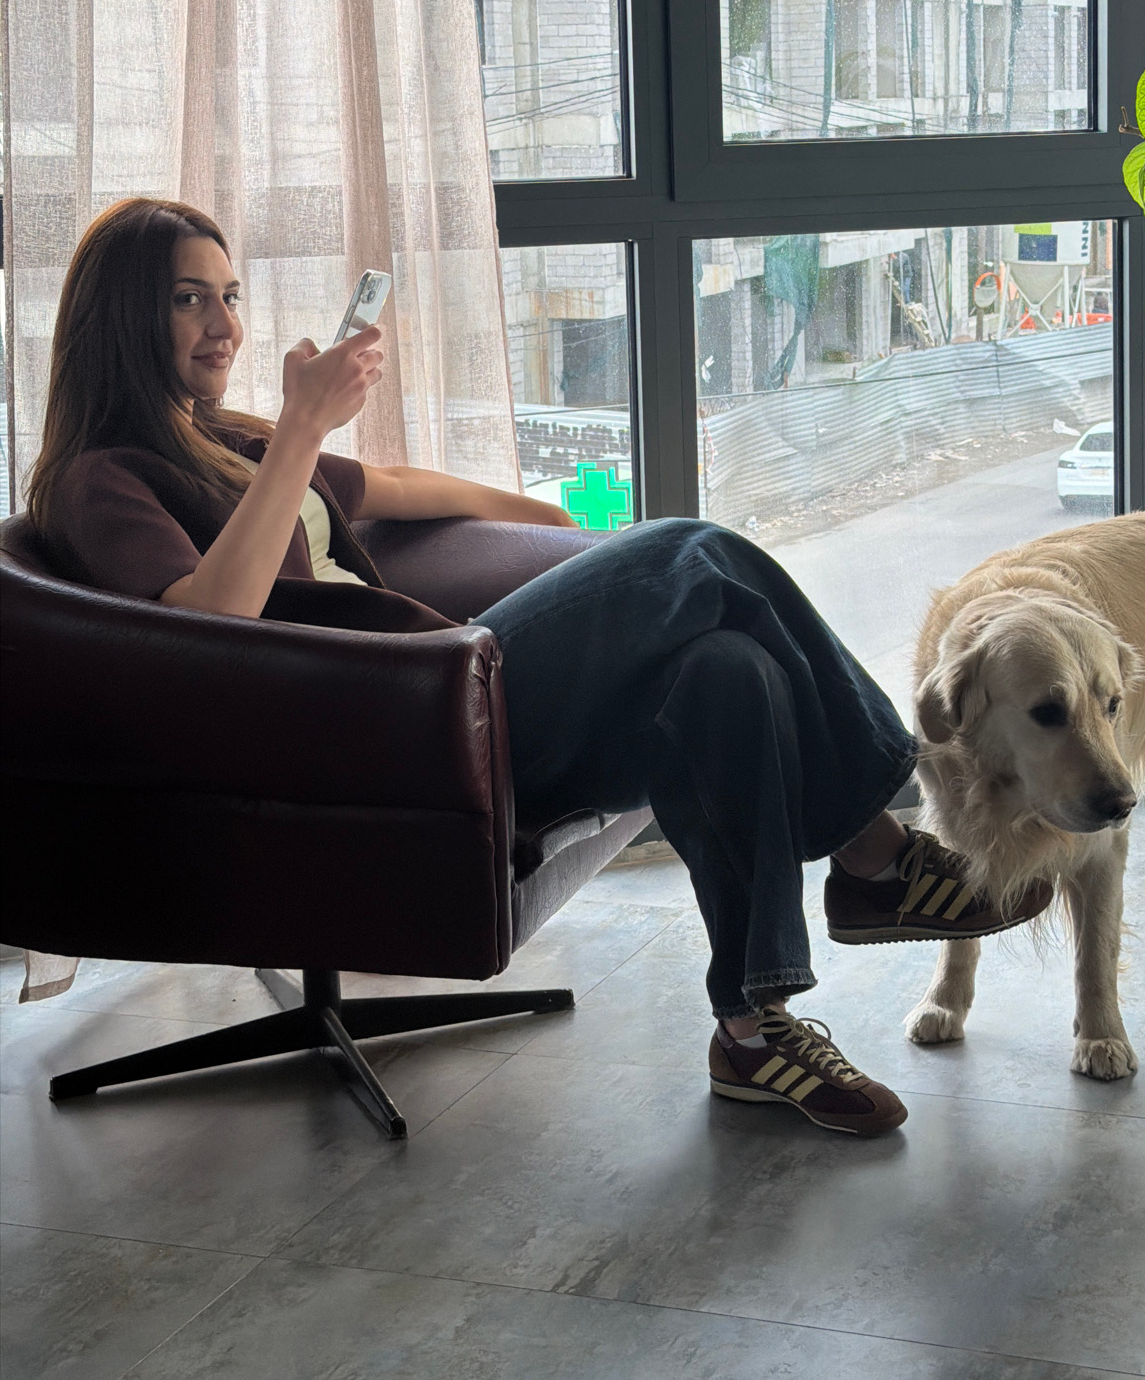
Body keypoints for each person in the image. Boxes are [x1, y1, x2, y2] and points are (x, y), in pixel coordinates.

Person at [30, 198, 1051, 1138]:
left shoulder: (226, 439)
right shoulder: (102, 478)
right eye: (187, 298)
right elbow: (207, 626)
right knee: (694, 549)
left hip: (450, 709)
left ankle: (752, 1030)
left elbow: (391, 486)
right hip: (391, 736)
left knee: (725, 670)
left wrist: (551, 524)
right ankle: (875, 851)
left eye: (229, 294)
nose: (222, 322)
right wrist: (301, 428)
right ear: (123, 316)